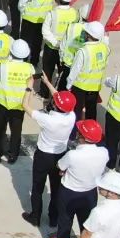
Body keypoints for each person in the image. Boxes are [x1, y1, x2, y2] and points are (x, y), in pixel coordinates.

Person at [23, 87, 76, 228]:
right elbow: (60, 99)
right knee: (56, 189)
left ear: (56, 106)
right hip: (60, 156)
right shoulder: (71, 116)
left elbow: (25, 106)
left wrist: (28, 88)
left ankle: (35, 216)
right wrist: (47, 82)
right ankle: (53, 218)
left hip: (43, 156)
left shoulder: (47, 119)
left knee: (37, 187)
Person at [57, 119, 110, 238]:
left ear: (82, 137)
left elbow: (60, 165)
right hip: (90, 194)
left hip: (68, 193)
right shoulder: (104, 152)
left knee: (65, 224)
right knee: (86, 225)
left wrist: (63, 171)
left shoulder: (73, 155)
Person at [0, 39, 34, 163]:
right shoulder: (30, 68)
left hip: (1, 103)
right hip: (19, 105)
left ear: (11, 52)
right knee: (16, 131)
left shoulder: (2, 66)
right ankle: (13, 155)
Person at [74, 171, 120, 238]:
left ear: (111, 193)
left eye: (102, 187)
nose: (98, 187)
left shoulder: (99, 211)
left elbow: (87, 232)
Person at [67, 21, 110, 120]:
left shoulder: (83, 51)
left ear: (89, 35)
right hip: (95, 86)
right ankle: (90, 128)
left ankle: (75, 128)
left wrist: (69, 85)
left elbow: (75, 70)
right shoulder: (105, 48)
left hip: (80, 86)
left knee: (77, 110)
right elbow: (105, 63)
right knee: (91, 110)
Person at [18, 0, 55, 66]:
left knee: (25, 42)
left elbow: (21, 4)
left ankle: (23, 61)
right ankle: (34, 62)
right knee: (38, 42)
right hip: (43, 20)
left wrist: (24, 12)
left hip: (29, 21)